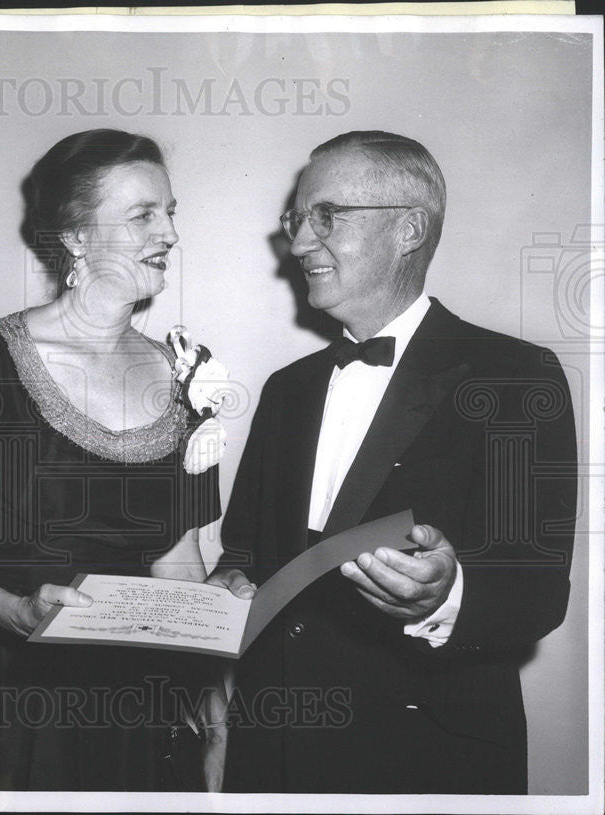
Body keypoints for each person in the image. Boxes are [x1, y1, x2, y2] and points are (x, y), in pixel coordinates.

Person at [209, 131, 577, 794]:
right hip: (274, 757)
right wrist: (231, 583)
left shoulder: (517, 376)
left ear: (409, 228)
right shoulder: (286, 388)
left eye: (326, 217)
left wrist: (448, 591)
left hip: (423, 763)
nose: (297, 245)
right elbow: (243, 551)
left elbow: (537, 590)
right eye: (298, 220)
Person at [0, 129, 223, 791]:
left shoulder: (181, 377)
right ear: (77, 237)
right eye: (142, 215)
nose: (168, 233)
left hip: (137, 709)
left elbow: (177, 565)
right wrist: (12, 610)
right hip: (7, 699)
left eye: (169, 212)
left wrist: (213, 687)